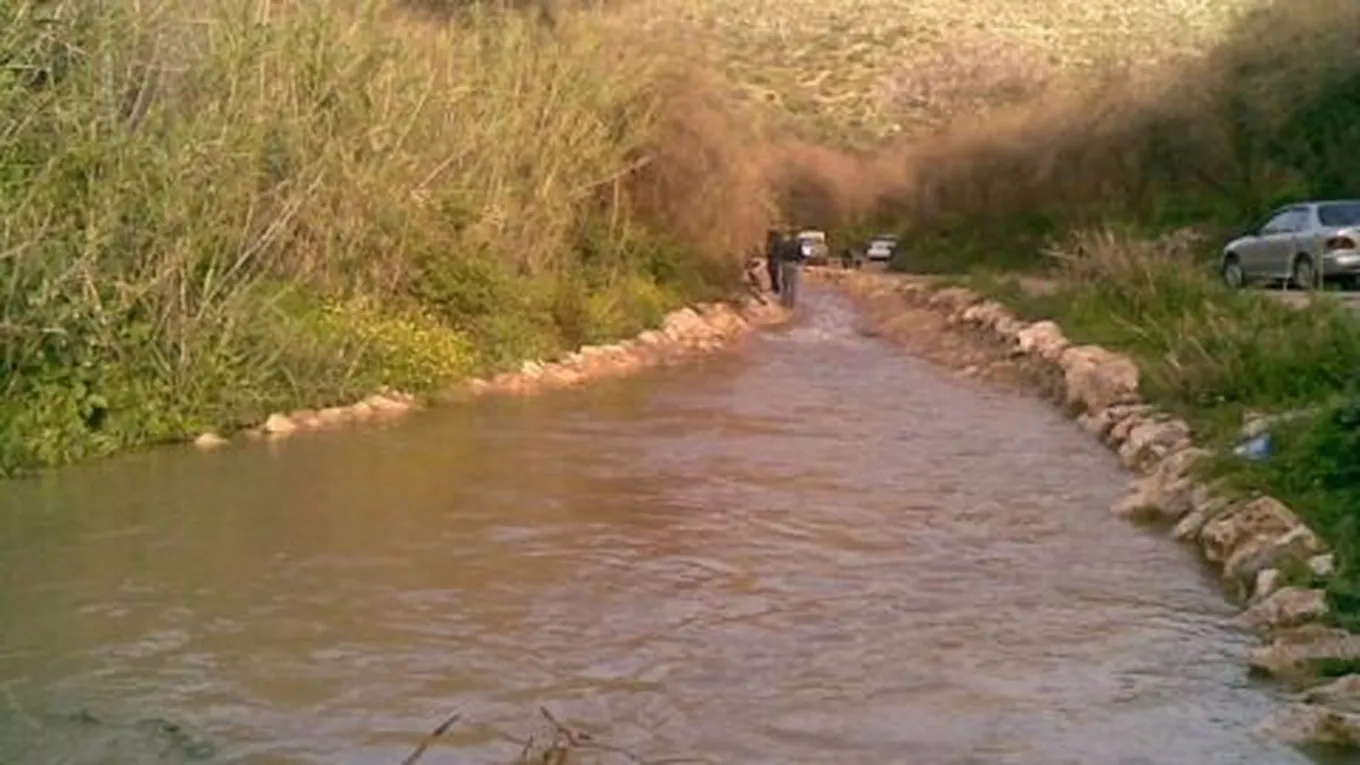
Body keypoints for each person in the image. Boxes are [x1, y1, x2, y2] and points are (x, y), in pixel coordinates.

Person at [777, 230, 805, 309]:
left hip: (785, 264)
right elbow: (803, 255)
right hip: (795, 265)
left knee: (785, 284)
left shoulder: (785, 244)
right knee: (794, 285)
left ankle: (784, 301)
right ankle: (792, 304)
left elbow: (781, 254)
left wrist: (781, 261)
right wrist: (801, 262)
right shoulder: (799, 244)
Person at [764, 228, 782, 295]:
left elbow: (770, 250)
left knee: (773, 272)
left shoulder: (773, 241)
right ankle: (775, 286)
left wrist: (768, 252)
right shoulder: (777, 240)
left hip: (773, 258)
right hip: (775, 258)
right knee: (773, 272)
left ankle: (775, 287)